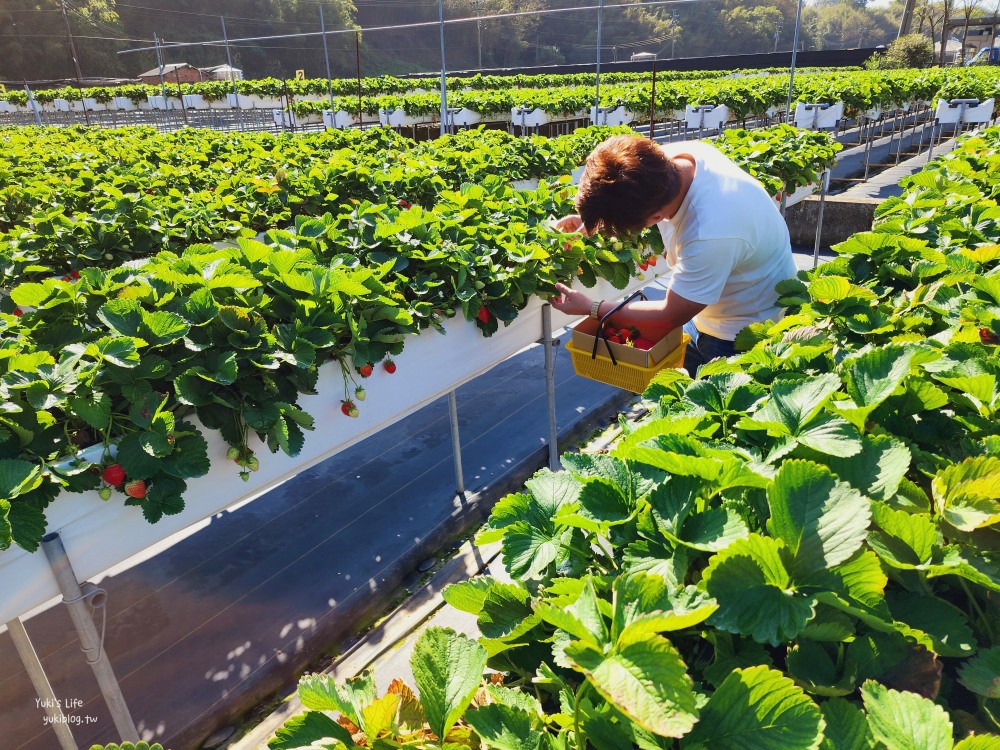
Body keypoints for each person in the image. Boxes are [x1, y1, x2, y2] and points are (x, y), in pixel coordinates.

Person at [548, 134, 797, 375]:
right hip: (708, 307)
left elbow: (670, 314)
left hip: (742, 332)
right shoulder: (665, 163)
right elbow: (623, 190)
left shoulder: (710, 232)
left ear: (657, 218)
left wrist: (592, 307)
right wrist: (594, 219)